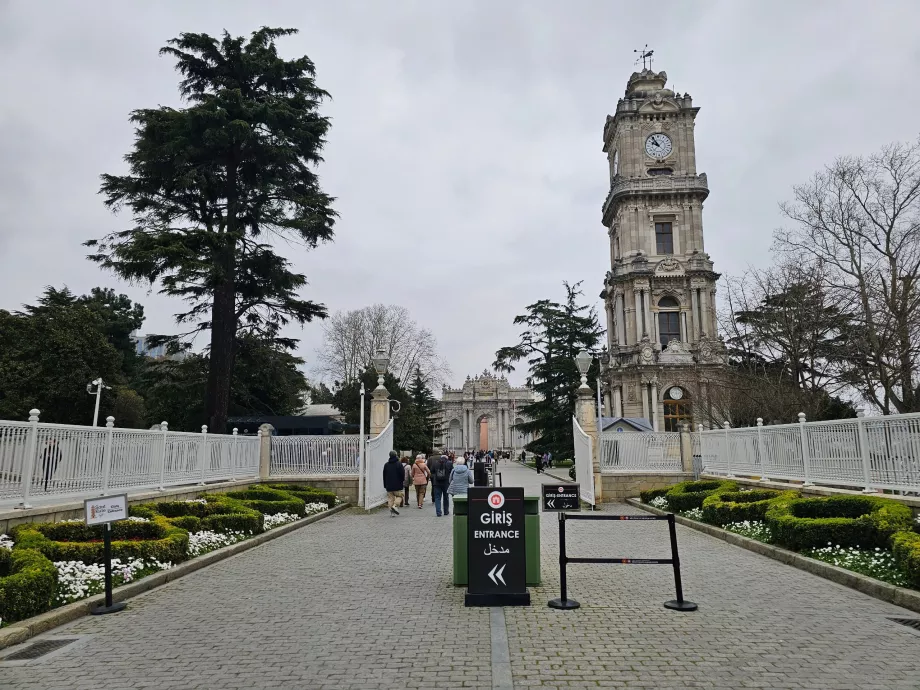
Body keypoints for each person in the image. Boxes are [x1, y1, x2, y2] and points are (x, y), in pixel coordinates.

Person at [383, 450, 405, 516]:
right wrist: (402, 481)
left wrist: (385, 484)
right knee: (400, 496)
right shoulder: (399, 464)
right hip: (398, 484)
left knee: (390, 499)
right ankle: (395, 506)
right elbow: (402, 474)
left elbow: (384, 475)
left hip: (389, 485)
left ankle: (392, 513)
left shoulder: (386, 465)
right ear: (396, 455)